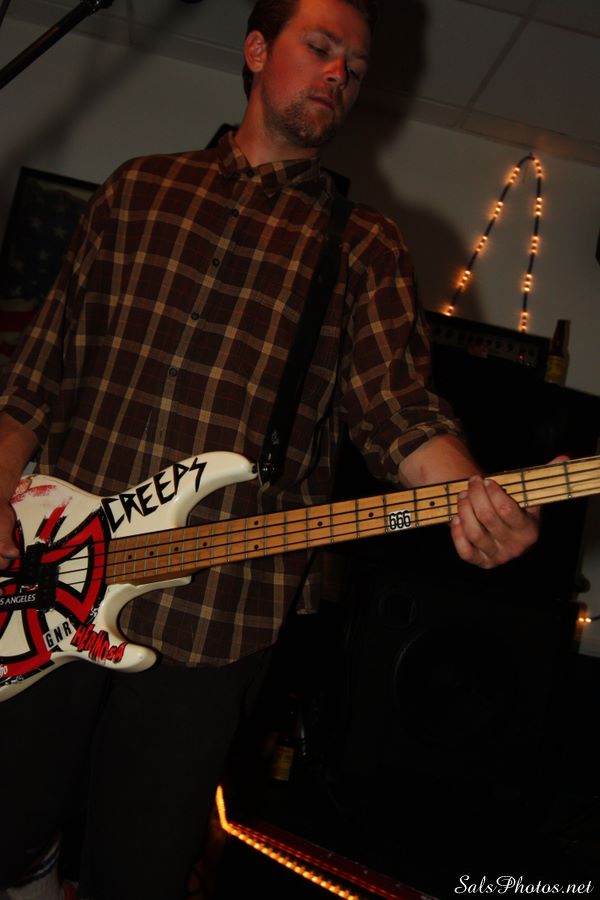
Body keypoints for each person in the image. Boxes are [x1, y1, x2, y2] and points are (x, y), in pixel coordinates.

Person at [0, 0, 540, 897]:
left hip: (217, 610)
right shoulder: (138, 191)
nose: (339, 75)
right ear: (256, 50)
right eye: (320, 48)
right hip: (49, 572)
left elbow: (400, 414)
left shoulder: (363, 244)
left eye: (354, 70)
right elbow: (33, 377)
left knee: (136, 875)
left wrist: (473, 498)